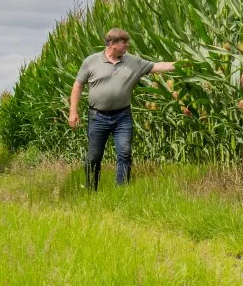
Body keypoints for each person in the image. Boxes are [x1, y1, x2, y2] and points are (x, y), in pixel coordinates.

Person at [67, 28, 176, 190]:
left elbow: (157, 66)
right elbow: (78, 85)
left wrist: (183, 65)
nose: (127, 46)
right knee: (94, 157)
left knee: (124, 153)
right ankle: (91, 190)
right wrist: (73, 112)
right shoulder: (91, 61)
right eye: (124, 43)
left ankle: (121, 191)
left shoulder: (132, 62)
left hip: (122, 116)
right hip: (97, 116)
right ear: (112, 44)